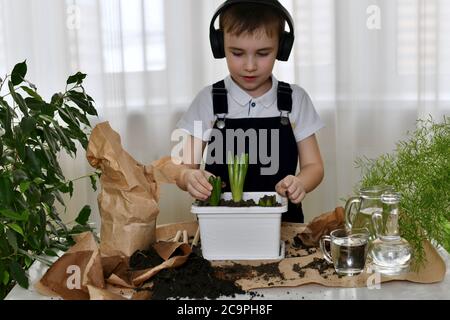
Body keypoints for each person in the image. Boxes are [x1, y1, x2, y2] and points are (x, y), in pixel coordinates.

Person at [175, 0, 324, 222]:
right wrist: (188, 176)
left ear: (281, 48)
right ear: (219, 45)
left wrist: (300, 182)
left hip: (283, 224)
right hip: (220, 223)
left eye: (263, 53)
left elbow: (314, 166)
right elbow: (183, 165)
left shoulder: (295, 100)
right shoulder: (207, 100)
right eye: (237, 53)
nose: (250, 66)